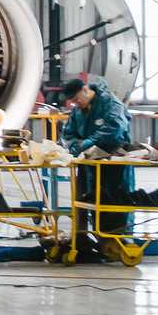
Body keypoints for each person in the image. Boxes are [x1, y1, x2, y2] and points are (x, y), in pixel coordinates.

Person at [61, 77, 136, 239]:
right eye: (72, 102)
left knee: (115, 201)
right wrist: (74, 145)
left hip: (114, 163)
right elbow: (68, 133)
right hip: (89, 164)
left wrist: (89, 142)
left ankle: (121, 239)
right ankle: (100, 239)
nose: (75, 103)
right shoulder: (78, 111)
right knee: (93, 201)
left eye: (76, 99)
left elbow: (115, 128)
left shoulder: (110, 104)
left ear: (86, 90)